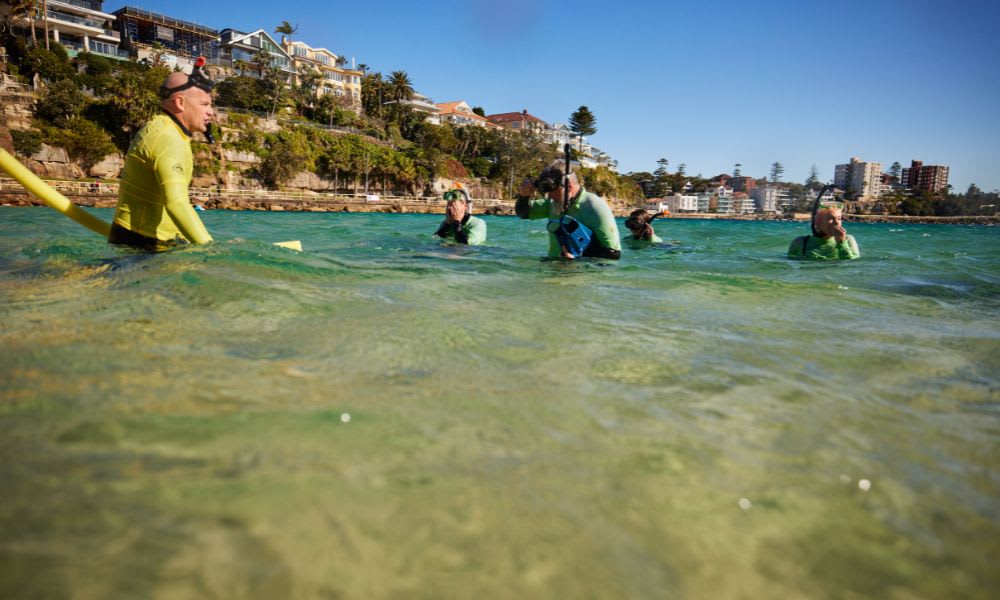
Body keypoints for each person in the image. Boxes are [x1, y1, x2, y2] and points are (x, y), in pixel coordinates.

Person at [108, 58, 216, 251]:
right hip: (141, 248)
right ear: (180, 102)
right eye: (204, 104)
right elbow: (176, 204)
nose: (211, 113)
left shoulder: (166, 129)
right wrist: (211, 249)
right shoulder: (168, 138)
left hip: (149, 242)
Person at [515, 160, 621, 259]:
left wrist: (579, 259)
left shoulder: (594, 206)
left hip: (581, 273)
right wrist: (524, 196)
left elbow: (613, 253)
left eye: (553, 192)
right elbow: (523, 213)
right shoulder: (553, 203)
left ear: (569, 187)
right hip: (552, 269)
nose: (549, 196)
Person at [788, 202, 860, 259]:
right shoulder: (801, 242)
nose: (837, 222)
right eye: (830, 218)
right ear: (818, 222)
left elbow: (851, 266)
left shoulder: (848, 240)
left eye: (839, 218)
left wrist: (841, 243)